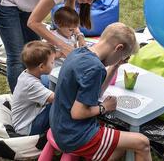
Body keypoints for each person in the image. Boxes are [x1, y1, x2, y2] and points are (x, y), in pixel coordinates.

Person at [50, 22, 152, 161]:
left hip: (59, 126)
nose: (121, 60)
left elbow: (94, 94)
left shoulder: (78, 52)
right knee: (142, 142)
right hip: (75, 135)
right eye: (123, 57)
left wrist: (115, 66)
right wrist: (104, 107)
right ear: (118, 48)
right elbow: (78, 112)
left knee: (121, 146)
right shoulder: (95, 68)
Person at [11, 41, 55, 136]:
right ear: (41, 67)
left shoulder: (27, 73)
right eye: (52, 62)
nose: (54, 64)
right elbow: (57, 99)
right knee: (57, 106)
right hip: (27, 128)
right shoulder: (31, 84)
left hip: (28, 118)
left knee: (46, 80)